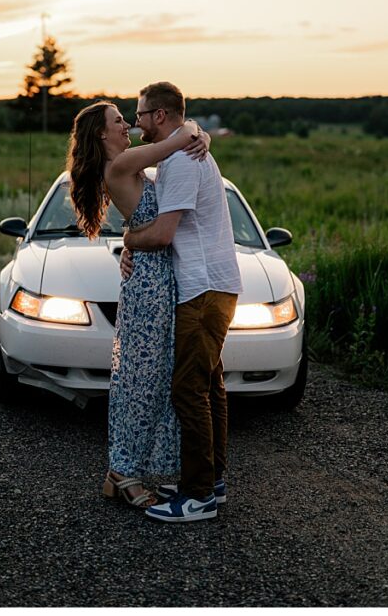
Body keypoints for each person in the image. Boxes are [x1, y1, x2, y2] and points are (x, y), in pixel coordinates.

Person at [66, 101, 209, 508]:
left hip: (155, 276)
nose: (127, 125)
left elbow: (183, 137)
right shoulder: (122, 164)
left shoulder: (126, 166)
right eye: (118, 121)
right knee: (140, 382)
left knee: (153, 378)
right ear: (101, 134)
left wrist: (200, 135)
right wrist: (199, 133)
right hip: (148, 282)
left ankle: (129, 470)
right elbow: (181, 136)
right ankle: (122, 472)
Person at [120, 81, 243, 523]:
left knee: (188, 390)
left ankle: (197, 498)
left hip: (204, 288)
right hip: (213, 285)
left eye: (139, 115)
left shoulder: (182, 161)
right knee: (210, 386)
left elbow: (164, 233)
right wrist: (193, 130)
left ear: (159, 115)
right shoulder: (180, 152)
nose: (135, 123)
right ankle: (212, 481)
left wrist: (128, 239)